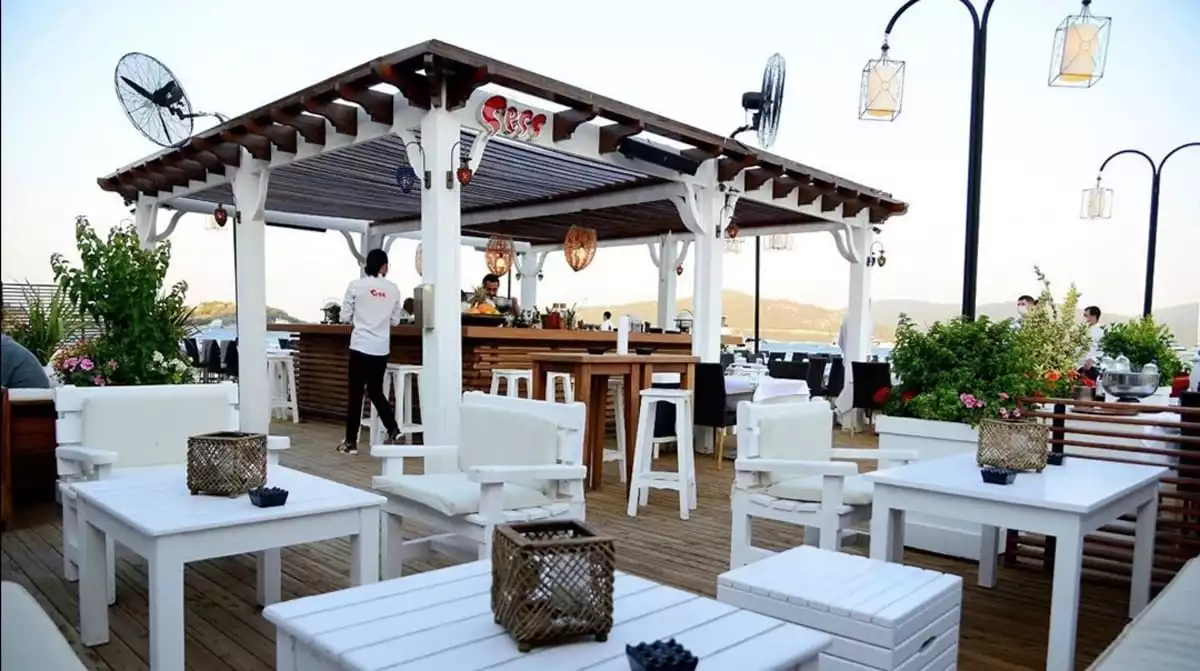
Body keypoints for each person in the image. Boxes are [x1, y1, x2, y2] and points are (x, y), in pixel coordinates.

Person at [338, 249, 404, 455]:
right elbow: (395, 321)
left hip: (360, 346)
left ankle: (351, 443)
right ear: (384, 266)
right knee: (375, 391)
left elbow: (344, 317)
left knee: (355, 395)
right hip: (380, 348)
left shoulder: (356, 286)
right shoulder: (393, 289)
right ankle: (393, 429)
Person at [1079, 305, 1103, 379]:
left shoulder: (1101, 331)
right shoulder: (1084, 329)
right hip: (1079, 367)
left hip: (1092, 367)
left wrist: (1093, 360)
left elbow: (1103, 349)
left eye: (1086, 315)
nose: (1084, 318)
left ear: (1093, 316)